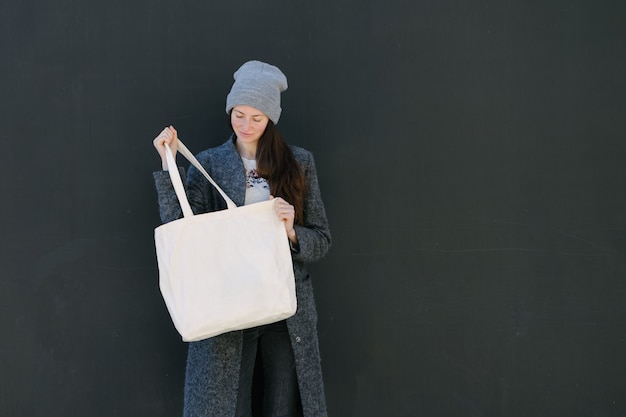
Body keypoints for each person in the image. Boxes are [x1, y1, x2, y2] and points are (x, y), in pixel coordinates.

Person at [152, 60, 332, 417]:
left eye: (256, 117)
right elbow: (181, 226)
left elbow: (322, 239)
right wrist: (167, 163)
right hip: (227, 304)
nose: (245, 125)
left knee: (282, 405)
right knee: (229, 406)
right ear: (230, 110)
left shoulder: (298, 163)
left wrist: (292, 230)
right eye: (239, 114)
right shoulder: (210, 163)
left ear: (271, 118)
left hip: (285, 307)